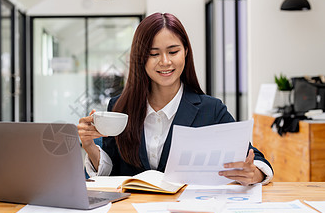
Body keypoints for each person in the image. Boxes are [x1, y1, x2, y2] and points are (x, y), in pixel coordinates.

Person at [78, 12, 273, 186]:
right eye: (154, 54)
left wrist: (252, 174)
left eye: (173, 52)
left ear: (186, 52)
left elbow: (254, 158)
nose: (165, 61)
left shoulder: (211, 109)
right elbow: (110, 171)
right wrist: (89, 145)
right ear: (140, 58)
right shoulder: (120, 107)